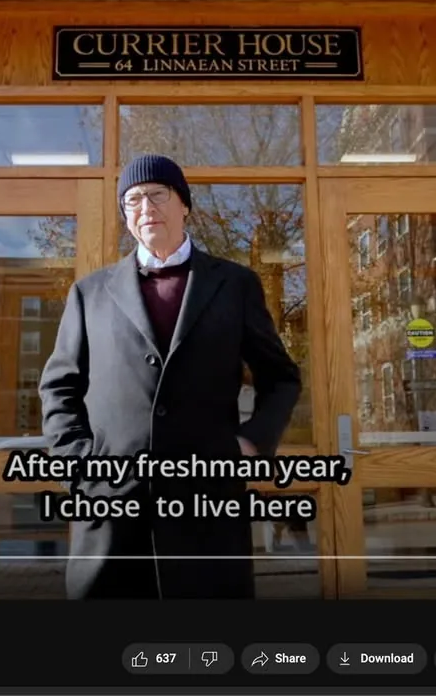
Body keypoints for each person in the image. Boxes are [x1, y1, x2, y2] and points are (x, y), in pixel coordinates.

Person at [40, 153, 303, 599]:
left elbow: (280, 377)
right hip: (110, 512)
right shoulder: (89, 293)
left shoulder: (235, 284)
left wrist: (252, 442)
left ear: (184, 204)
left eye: (157, 195)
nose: (145, 208)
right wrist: (79, 466)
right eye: (133, 200)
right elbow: (60, 387)